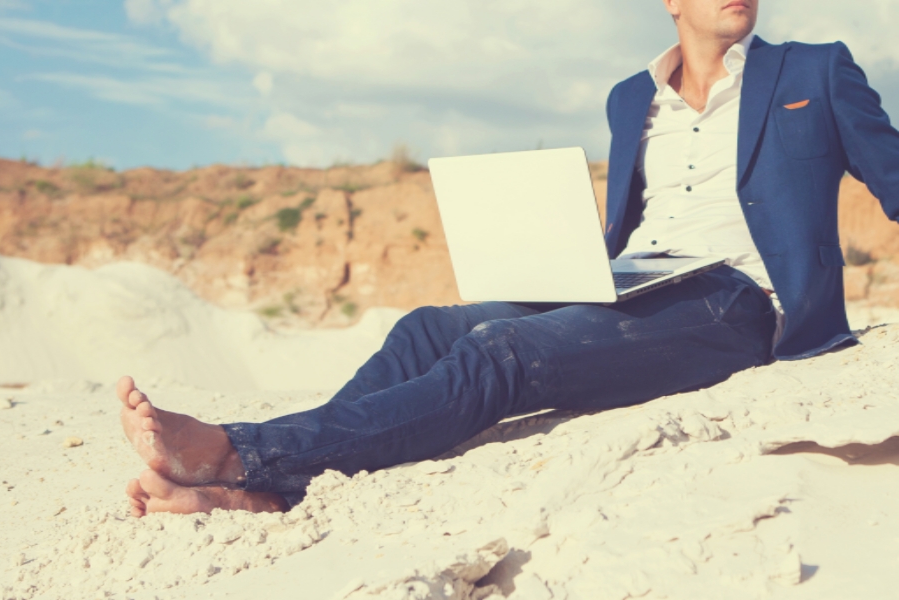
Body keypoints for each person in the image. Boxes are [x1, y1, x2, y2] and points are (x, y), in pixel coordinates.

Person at [123, 0, 899, 517]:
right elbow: (628, 224)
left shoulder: (814, 69)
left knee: (500, 353)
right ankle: (279, 485)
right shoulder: (632, 97)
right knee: (428, 328)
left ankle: (239, 452)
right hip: (634, 281)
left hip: (738, 301)